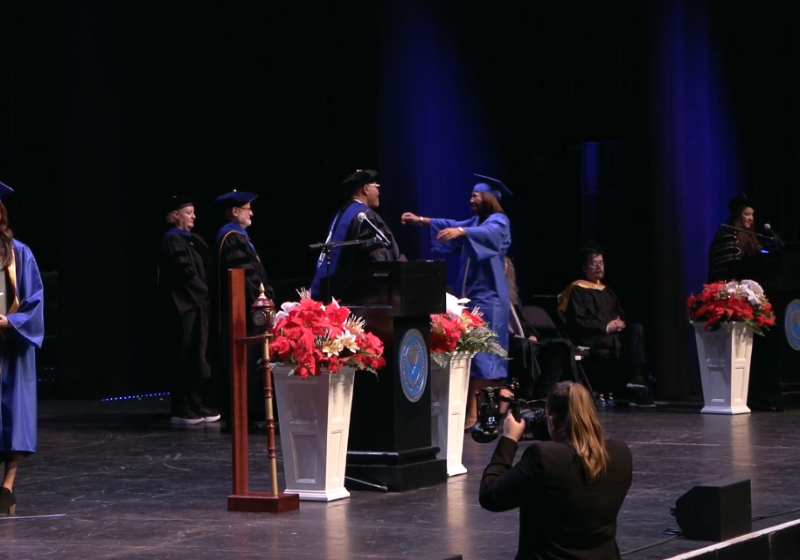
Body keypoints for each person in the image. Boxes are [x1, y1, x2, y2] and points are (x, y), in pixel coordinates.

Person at [402, 174, 512, 428]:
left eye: (476, 195)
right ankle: (477, 413)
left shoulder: (499, 221)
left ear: (490, 198)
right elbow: (452, 223)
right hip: (476, 298)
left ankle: (475, 414)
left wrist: (462, 231)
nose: (471, 199)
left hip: (491, 300)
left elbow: (487, 233)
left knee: (485, 358)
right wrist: (421, 221)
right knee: (474, 356)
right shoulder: (476, 221)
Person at [480, 381, 632, 559]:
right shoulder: (620, 453)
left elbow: (491, 495)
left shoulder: (543, 458)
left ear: (551, 422)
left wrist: (509, 439)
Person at [559, 243, 655, 407]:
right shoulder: (577, 290)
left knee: (636, 330)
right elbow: (578, 320)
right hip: (591, 337)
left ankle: (637, 377)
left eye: (601, 263)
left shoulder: (607, 291)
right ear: (584, 268)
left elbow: (622, 316)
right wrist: (606, 327)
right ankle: (637, 389)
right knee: (621, 344)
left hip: (612, 335)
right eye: (594, 263)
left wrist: (620, 324)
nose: (599, 266)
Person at [0, 181, 45, 516]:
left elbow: (35, 301)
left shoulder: (20, 254)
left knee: (14, 420)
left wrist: (9, 323)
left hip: (11, 345)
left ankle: (7, 488)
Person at [210, 190, 274, 425]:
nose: (252, 213)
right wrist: (263, 298)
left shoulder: (236, 236)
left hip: (241, 312)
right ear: (235, 212)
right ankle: (244, 412)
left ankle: (247, 412)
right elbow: (245, 276)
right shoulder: (232, 237)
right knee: (244, 359)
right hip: (241, 314)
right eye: (248, 209)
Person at [158, 195, 218, 425]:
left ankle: (198, 403)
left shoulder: (195, 240)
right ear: (176, 215)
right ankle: (182, 407)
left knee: (200, 356)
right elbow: (183, 273)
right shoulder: (172, 241)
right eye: (189, 212)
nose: (194, 216)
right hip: (182, 306)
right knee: (186, 354)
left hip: (198, 306)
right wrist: (204, 293)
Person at [310, 169, 405, 300]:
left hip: (333, 288)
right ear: (366, 189)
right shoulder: (365, 216)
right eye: (376, 187)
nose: (379, 192)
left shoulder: (342, 214)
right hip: (359, 297)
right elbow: (378, 260)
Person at [505, 257, 578, 400]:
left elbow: (523, 322)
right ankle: (526, 394)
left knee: (562, 345)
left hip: (524, 342)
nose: (503, 267)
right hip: (505, 342)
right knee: (523, 345)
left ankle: (543, 397)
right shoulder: (488, 295)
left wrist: (532, 333)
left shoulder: (511, 297)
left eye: (506, 265)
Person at [707, 195, 762, 282]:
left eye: (752, 215)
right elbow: (726, 270)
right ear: (737, 216)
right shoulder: (726, 236)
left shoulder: (749, 236)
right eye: (747, 214)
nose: (751, 218)